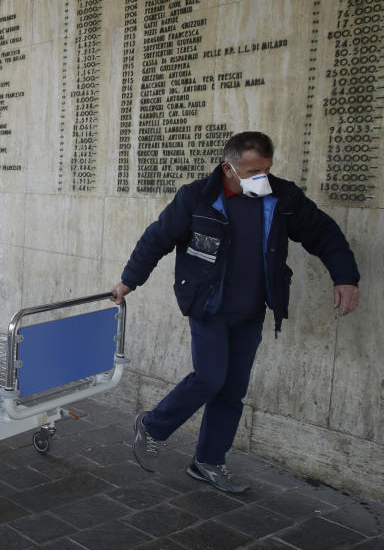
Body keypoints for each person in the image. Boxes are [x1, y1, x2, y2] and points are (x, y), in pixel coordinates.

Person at [110, 131, 360, 493]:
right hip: (208, 306)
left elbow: (323, 232)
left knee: (232, 389)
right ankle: (152, 426)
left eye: (268, 168)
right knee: (210, 378)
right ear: (229, 168)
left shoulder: (282, 196)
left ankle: (208, 461)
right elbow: (157, 238)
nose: (263, 177)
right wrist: (128, 282)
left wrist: (345, 277)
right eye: (254, 169)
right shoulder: (198, 197)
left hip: (252, 310)